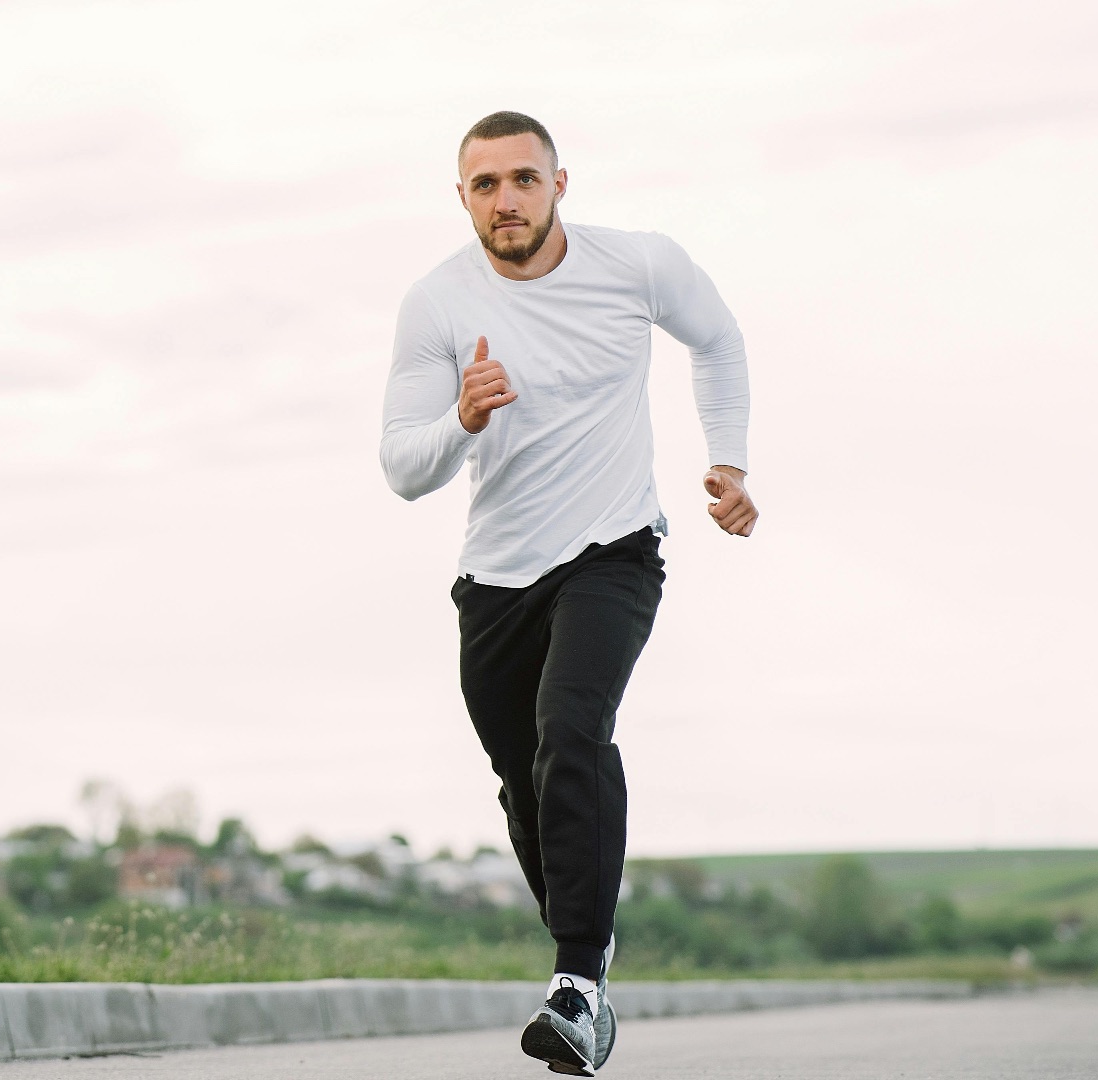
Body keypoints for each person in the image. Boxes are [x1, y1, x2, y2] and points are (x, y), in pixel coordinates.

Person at [379, 111, 757, 1075]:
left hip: (612, 552)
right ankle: (589, 948)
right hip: (496, 578)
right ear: (463, 198)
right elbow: (403, 468)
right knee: (526, 784)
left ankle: (578, 981)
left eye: (523, 179)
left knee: (571, 732)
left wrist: (729, 461)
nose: (505, 200)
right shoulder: (437, 303)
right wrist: (463, 420)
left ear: (558, 184)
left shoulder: (636, 264)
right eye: (485, 185)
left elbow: (717, 339)